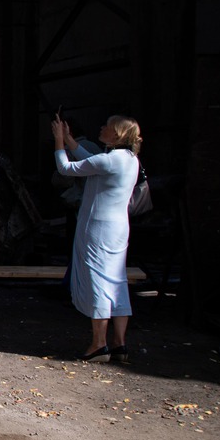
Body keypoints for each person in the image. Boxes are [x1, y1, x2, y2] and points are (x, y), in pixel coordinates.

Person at [52, 114, 142, 363]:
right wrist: (70, 139)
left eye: (106, 126)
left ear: (116, 135)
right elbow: (91, 160)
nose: (101, 128)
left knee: (98, 281)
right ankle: (119, 344)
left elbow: (66, 168)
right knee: (117, 281)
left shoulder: (109, 160)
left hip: (98, 228)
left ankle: (98, 343)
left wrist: (59, 142)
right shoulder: (130, 159)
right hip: (119, 228)